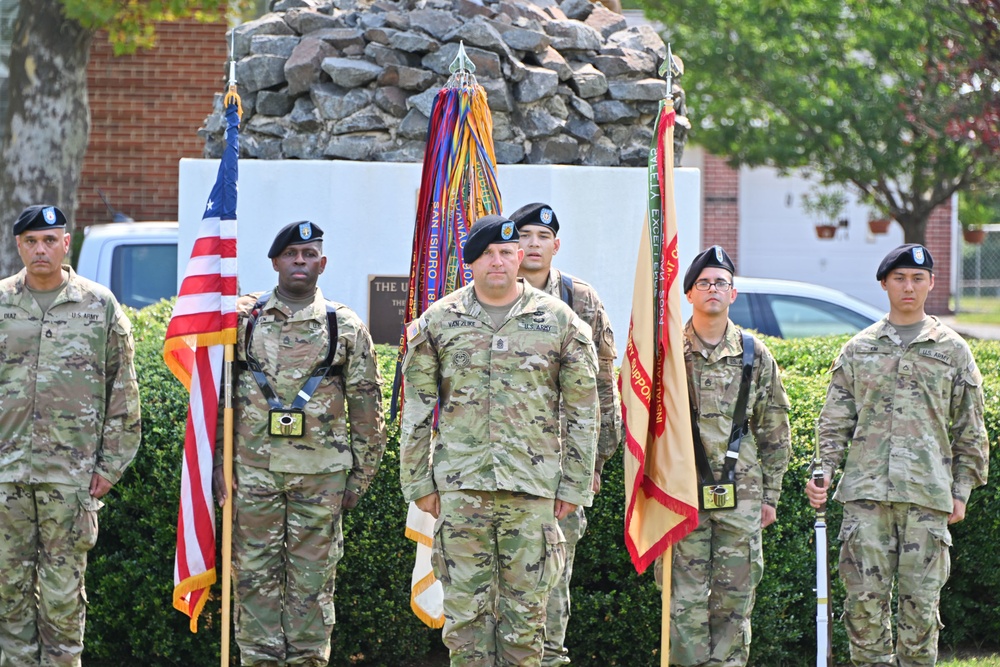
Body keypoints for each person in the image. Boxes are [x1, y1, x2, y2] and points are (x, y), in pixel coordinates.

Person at [399, 214, 599, 667]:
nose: (498, 261)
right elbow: (417, 407)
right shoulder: (440, 321)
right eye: (487, 253)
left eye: (507, 252)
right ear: (471, 262)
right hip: (461, 488)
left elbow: (585, 411)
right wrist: (418, 483)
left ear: (519, 258)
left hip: (532, 493)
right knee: (465, 622)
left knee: (526, 622)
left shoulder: (558, 321)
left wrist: (573, 486)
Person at [212, 221, 386, 667]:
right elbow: (216, 399)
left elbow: (368, 409)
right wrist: (216, 465)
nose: (300, 262)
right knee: (252, 579)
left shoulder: (344, 326)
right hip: (252, 473)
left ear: (322, 263)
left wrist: (360, 478)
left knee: (312, 584)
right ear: (275, 262)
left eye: (309, 254)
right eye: (291, 254)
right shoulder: (240, 320)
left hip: (321, 479)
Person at [806, 243, 988, 667]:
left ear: (931, 284)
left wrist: (961, 490)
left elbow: (970, 430)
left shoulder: (953, 351)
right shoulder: (859, 349)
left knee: (920, 614)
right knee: (863, 611)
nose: (909, 286)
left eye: (918, 278)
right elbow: (834, 421)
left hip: (927, 499)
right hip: (865, 499)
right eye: (900, 278)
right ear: (884, 284)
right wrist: (823, 472)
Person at [0, 204, 141, 666]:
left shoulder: (99, 305)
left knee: (63, 598)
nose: (40, 250)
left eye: (49, 240)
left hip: (71, 477)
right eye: (30, 242)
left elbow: (123, 389)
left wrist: (110, 466)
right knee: (8, 595)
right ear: (19, 245)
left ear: (66, 242)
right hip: (6, 476)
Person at [659, 245, 791, 667]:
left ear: (733, 294)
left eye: (721, 283)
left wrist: (770, 497)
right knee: (685, 600)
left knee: (735, 599)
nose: (713, 289)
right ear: (689, 293)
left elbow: (774, 431)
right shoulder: (668, 353)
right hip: (682, 492)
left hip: (743, 495)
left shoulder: (754, 353)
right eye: (704, 283)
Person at [508, 202, 621, 666]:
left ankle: (549, 658)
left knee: (553, 573)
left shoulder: (581, 299)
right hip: (502, 460)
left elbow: (603, 386)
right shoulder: (487, 293)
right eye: (524, 236)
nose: (533, 245)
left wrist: (594, 462)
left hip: (560, 463)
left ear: (556, 245)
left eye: (542, 237)